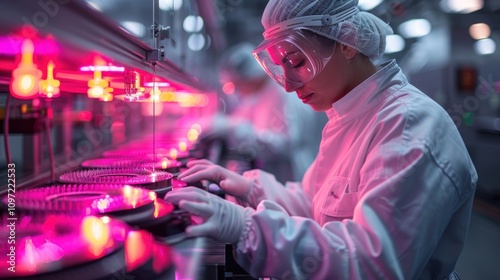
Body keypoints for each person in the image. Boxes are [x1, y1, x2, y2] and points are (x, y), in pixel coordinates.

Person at [166, 0, 478, 279]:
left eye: (298, 62)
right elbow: (314, 205)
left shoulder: (408, 125)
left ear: (347, 42)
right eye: (281, 67)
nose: (288, 86)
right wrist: (250, 189)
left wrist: (246, 227)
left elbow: (373, 266)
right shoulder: (347, 116)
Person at [199, 42, 326, 183]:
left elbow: (285, 144)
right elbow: (242, 117)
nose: (236, 91)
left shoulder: (284, 94)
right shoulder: (256, 94)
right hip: (269, 177)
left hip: (291, 176)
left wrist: (237, 129)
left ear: (250, 76)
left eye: (236, 84)